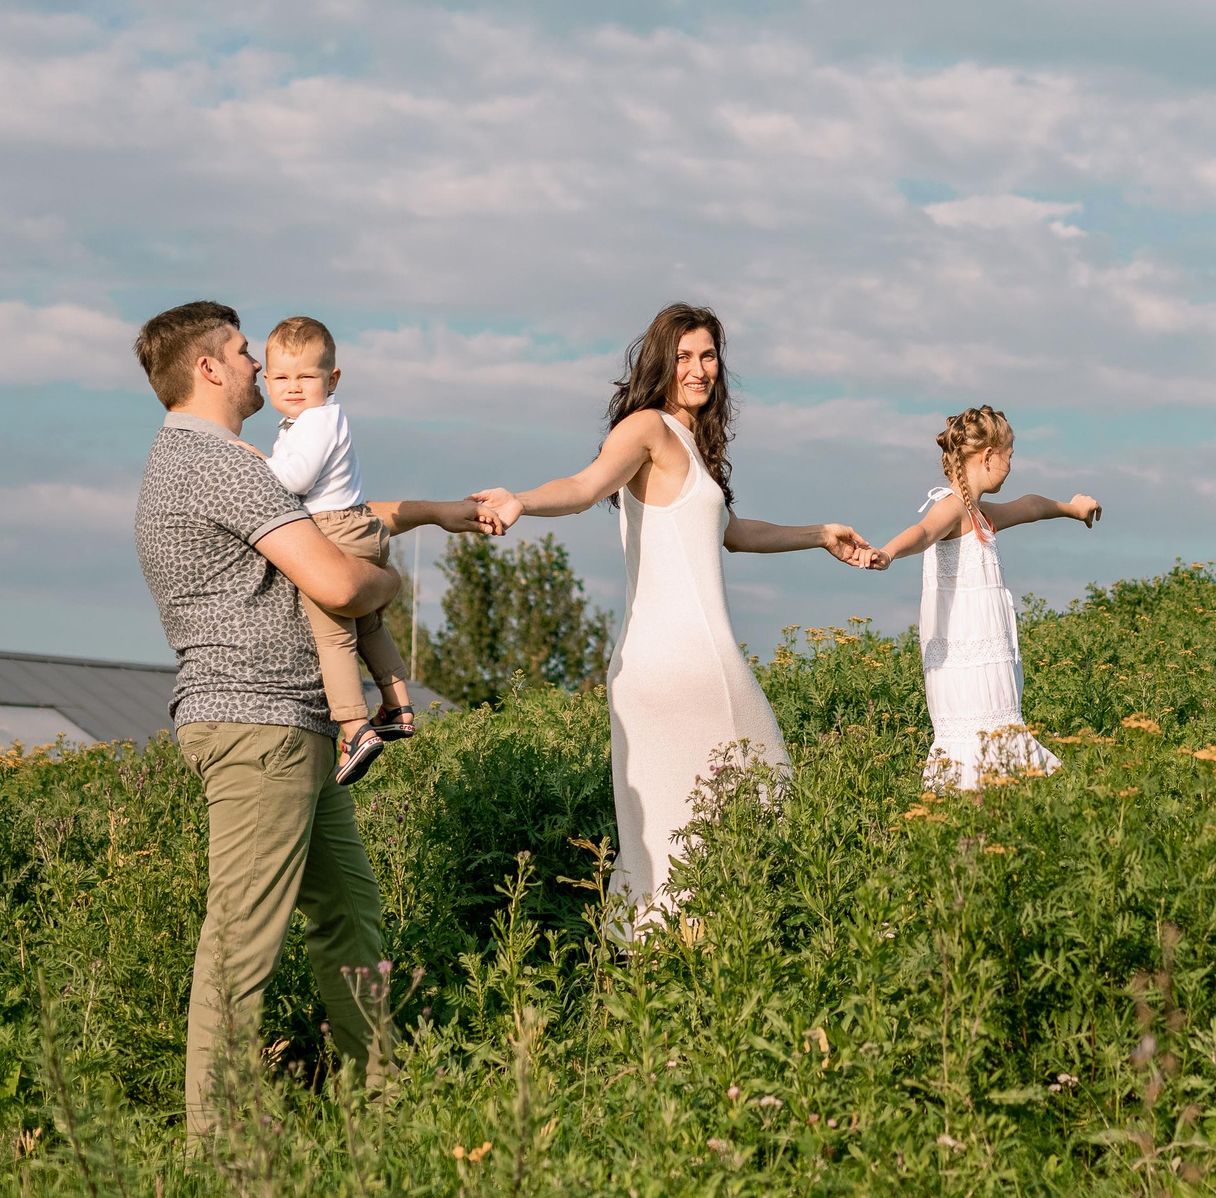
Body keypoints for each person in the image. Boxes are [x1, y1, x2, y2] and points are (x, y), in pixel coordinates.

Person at [130, 300, 484, 1135]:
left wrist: (437, 512)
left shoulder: (219, 461)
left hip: (291, 726)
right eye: (246, 352)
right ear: (209, 368)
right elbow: (335, 577)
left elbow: (338, 516)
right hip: (260, 727)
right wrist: (392, 585)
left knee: (350, 915)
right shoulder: (215, 462)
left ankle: (381, 1110)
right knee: (241, 941)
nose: (260, 366)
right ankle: (213, 1152)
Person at [468, 302, 876, 929]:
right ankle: (749, 956)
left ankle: (646, 983)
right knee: (765, 802)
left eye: (708, 355)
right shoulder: (647, 428)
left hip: (659, 666)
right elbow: (586, 485)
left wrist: (820, 534)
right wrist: (521, 500)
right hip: (688, 663)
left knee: (665, 842)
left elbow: (733, 534)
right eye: (684, 356)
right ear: (661, 361)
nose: (699, 368)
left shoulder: (690, 442)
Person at [868, 405, 1100, 791]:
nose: (1011, 465)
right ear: (988, 456)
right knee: (978, 756)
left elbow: (1029, 506)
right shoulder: (953, 506)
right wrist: (888, 553)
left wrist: (1071, 509)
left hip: (991, 660)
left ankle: (989, 837)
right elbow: (923, 532)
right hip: (964, 665)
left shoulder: (980, 513)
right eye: (1009, 455)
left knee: (997, 749)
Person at [261, 315, 418, 786]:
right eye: (282, 377)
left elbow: (293, 480)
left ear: (332, 379)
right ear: (266, 380)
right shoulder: (321, 418)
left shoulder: (313, 422)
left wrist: (256, 464)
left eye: (306, 377)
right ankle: (399, 706)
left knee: (333, 637)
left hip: (332, 530)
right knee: (368, 623)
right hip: (358, 525)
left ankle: (354, 727)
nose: (293, 387)